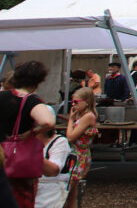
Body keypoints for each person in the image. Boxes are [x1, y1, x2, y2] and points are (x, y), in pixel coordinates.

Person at [0, 61, 56, 208]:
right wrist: (33, 131)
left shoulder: (2, 96)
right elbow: (48, 122)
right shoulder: (31, 101)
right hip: (19, 161)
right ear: (39, 81)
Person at [65, 87, 97, 208]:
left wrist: (70, 120)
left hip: (79, 155)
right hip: (77, 154)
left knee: (70, 192)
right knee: (70, 193)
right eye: (72, 102)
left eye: (76, 102)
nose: (73, 105)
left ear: (86, 102)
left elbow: (71, 137)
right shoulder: (84, 115)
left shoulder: (87, 117)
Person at [35, 106, 72, 208]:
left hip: (50, 189)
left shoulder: (60, 142)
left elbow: (53, 171)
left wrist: (32, 151)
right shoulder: (23, 139)